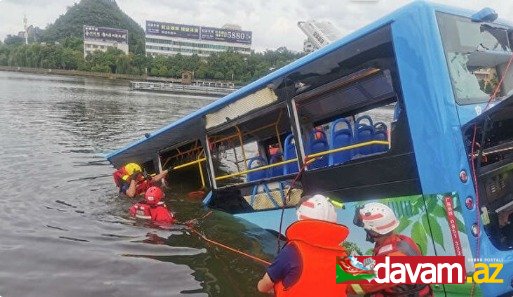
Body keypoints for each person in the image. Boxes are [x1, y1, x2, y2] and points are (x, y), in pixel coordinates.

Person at [257, 194, 349, 296]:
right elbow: (360, 285)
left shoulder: (292, 251)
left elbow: (263, 287)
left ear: (301, 217)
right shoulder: (343, 255)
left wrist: (272, 286)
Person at [347, 202, 433, 297]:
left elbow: (359, 286)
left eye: (366, 229)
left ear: (374, 231)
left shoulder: (394, 259)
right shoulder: (403, 241)